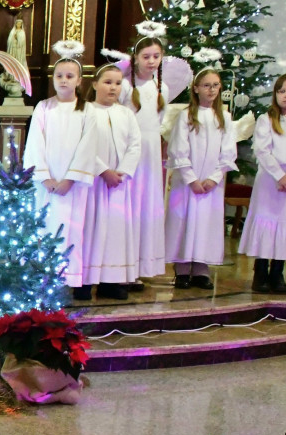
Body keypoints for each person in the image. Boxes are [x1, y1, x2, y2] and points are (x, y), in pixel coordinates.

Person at [22, 46, 94, 299]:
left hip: (73, 186)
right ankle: (44, 278)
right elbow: (35, 142)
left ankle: (67, 280)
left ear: (79, 80)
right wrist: (44, 176)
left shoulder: (87, 110)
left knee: (71, 229)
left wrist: (71, 178)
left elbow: (88, 146)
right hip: (48, 183)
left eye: (69, 76)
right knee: (46, 228)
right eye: (59, 76)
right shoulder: (44, 107)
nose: (64, 80)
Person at [164, 68, 238, 290]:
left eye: (216, 85)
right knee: (184, 221)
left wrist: (214, 178)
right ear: (196, 88)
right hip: (189, 182)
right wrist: (191, 178)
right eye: (206, 85)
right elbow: (178, 149)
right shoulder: (186, 115)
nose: (212, 89)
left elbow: (228, 152)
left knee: (206, 222)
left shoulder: (224, 117)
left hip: (211, 183)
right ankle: (182, 268)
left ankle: (201, 269)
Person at [81, 64, 143, 300]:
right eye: (108, 82)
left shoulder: (126, 114)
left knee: (116, 231)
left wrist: (122, 172)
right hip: (94, 183)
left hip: (119, 183)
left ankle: (112, 280)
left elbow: (135, 145)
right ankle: (85, 281)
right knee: (92, 228)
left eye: (118, 83)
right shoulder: (85, 111)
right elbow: (83, 144)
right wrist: (103, 170)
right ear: (95, 84)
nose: (113, 87)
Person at [119, 34, 169, 286]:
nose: (151, 61)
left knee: (145, 209)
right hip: (129, 151)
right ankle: (122, 266)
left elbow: (159, 123)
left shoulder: (162, 89)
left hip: (150, 155)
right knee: (128, 208)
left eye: (156, 57)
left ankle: (139, 266)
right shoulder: (125, 86)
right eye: (146, 56)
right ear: (135, 58)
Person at [238, 73, 286, 293]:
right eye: (281, 91)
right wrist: (280, 175)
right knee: (267, 224)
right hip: (270, 181)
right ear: (275, 95)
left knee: (285, 225)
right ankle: (260, 271)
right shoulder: (266, 120)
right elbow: (262, 150)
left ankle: (277, 272)